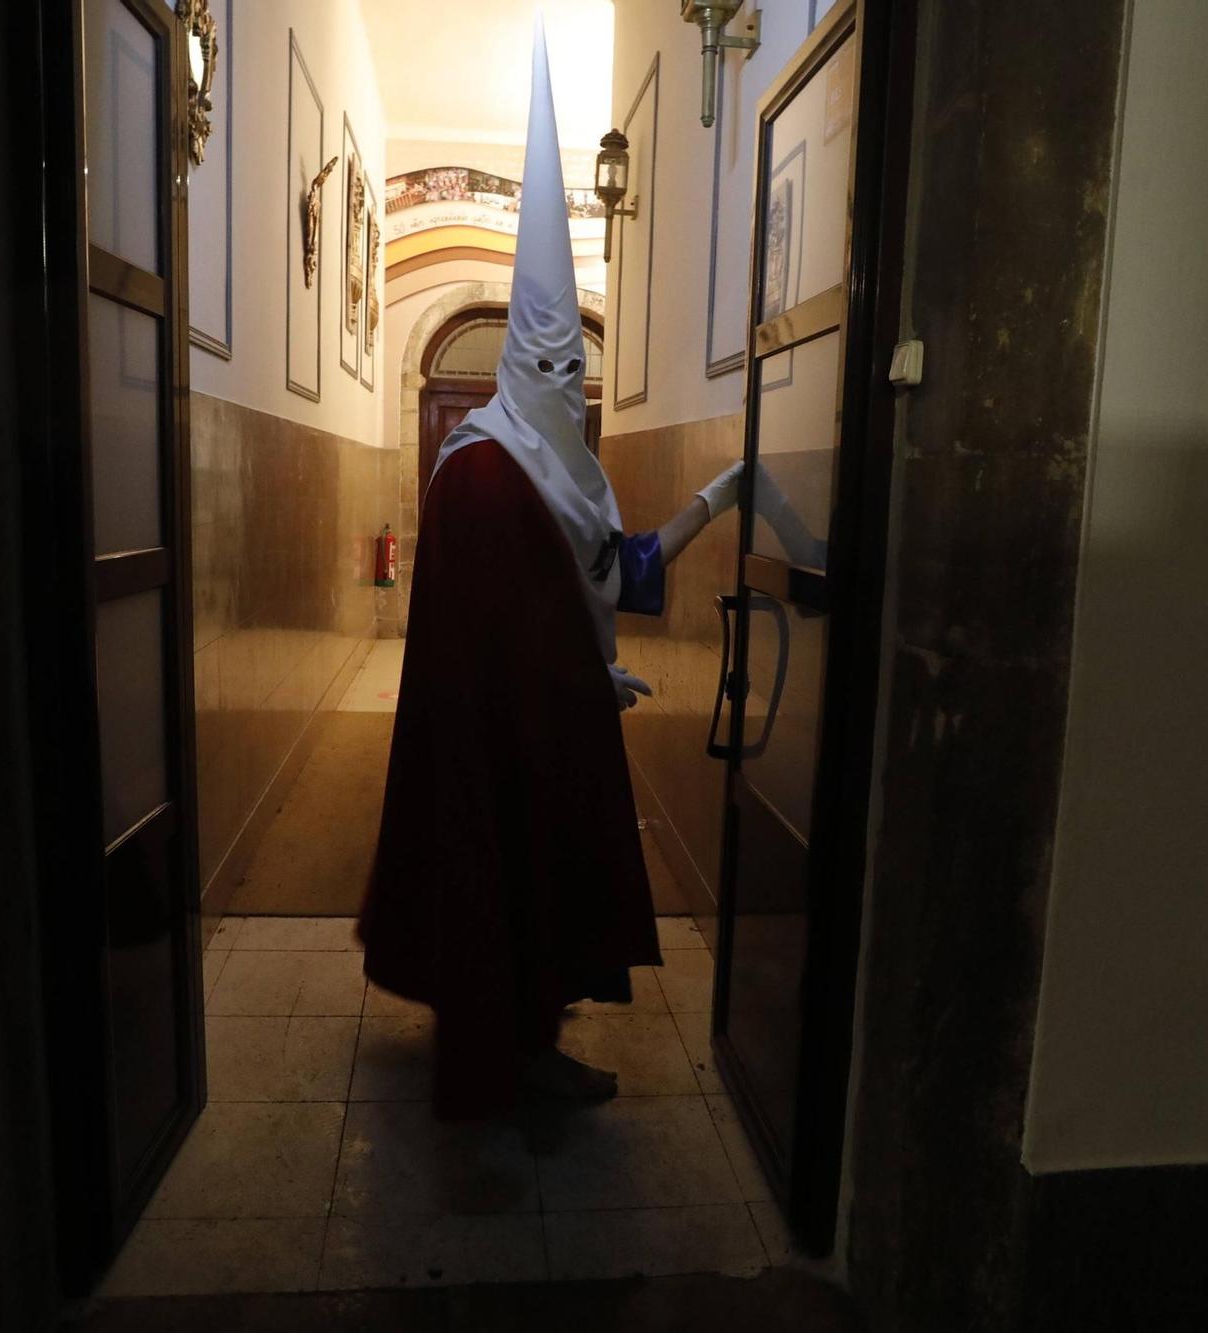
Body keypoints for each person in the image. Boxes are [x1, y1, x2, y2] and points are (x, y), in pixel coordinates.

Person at [358, 20, 742, 1118]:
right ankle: (507, 1058)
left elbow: (605, 570)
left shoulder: (550, 465)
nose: (568, 382)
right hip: (500, 737)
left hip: (546, 724)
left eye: (577, 363)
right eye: (552, 365)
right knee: (505, 885)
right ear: (521, 368)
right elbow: (516, 635)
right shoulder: (481, 474)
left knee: (532, 891)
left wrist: (714, 501)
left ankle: (518, 1035)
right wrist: (585, 673)